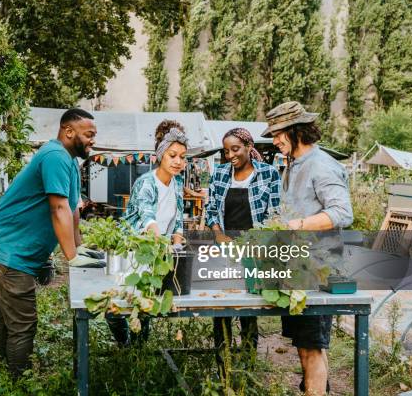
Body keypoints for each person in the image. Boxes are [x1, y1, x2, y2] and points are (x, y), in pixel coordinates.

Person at [0, 108, 99, 376]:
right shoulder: (55, 156)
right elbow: (58, 208)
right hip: (6, 251)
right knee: (22, 323)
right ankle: (19, 381)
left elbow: (74, 209)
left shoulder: (69, 161)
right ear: (68, 131)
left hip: (4, 248)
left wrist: (78, 247)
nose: (93, 140)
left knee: (5, 315)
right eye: (88, 134)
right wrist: (71, 257)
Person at [261, 101, 353, 395]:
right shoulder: (292, 165)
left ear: (296, 131)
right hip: (297, 271)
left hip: (318, 270)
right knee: (304, 346)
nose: (274, 140)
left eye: (278, 134)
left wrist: (297, 224)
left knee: (313, 348)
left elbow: (342, 213)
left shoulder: (321, 164)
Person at [204, 127, 281, 369]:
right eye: (226, 151)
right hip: (225, 248)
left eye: (235, 149)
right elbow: (212, 210)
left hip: (255, 250)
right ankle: (222, 362)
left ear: (249, 147)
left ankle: (248, 363)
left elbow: (276, 213)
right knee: (222, 305)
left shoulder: (268, 174)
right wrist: (218, 235)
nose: (230, 155)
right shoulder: (219, 174)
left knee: (249, 305)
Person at [107, 120, 188, 345]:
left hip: (155, 252)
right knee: (118, 302)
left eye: (182, 156)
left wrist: (178, 245)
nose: (178, 161)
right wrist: (159, 239)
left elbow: (179, 217)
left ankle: (139, 351)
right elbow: (147, 216)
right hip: (132, 250)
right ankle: (124, 345)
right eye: (172, 155)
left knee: (145, 301)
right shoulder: (146, 183)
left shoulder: (177, 182)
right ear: (161, 155)